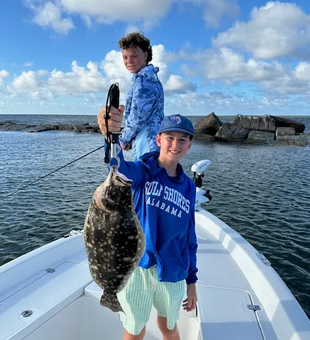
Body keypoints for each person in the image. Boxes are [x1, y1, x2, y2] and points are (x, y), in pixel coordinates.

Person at [98, 108, 198, 340]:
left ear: (190, 145)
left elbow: (189, 235)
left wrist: (192, 281)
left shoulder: (189, 187)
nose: (175, 144)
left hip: (173, 269)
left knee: (169, 327)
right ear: (158, 139)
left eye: (182, 139)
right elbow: (117, 166)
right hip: (137, 267)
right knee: (134, 330)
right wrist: (110, 137)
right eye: (170, 138)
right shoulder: (143, 172)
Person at [117, 31, 164, 160]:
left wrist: (124, 140)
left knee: (145, 178)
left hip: (148, 147)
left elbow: (137, 117)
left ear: (145, 55)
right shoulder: (149, 78)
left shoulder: (144, 81)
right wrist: (128, 133)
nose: (129, 61)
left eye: (134, 56)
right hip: (153, 144)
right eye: (125, 57)